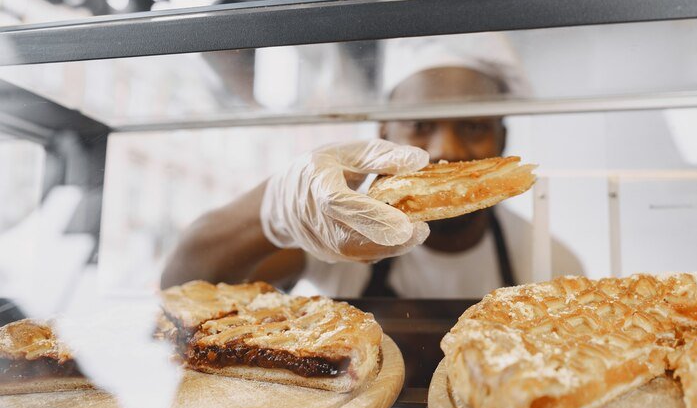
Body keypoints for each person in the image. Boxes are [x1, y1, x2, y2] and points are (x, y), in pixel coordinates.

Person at [161, 32, 583, 295]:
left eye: (473, 127)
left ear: (502, 140)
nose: (447, 149)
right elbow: (181, 284)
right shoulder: (339, 235)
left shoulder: (551, 261)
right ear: (384, 138)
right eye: (420, 125)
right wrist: (278, 208)